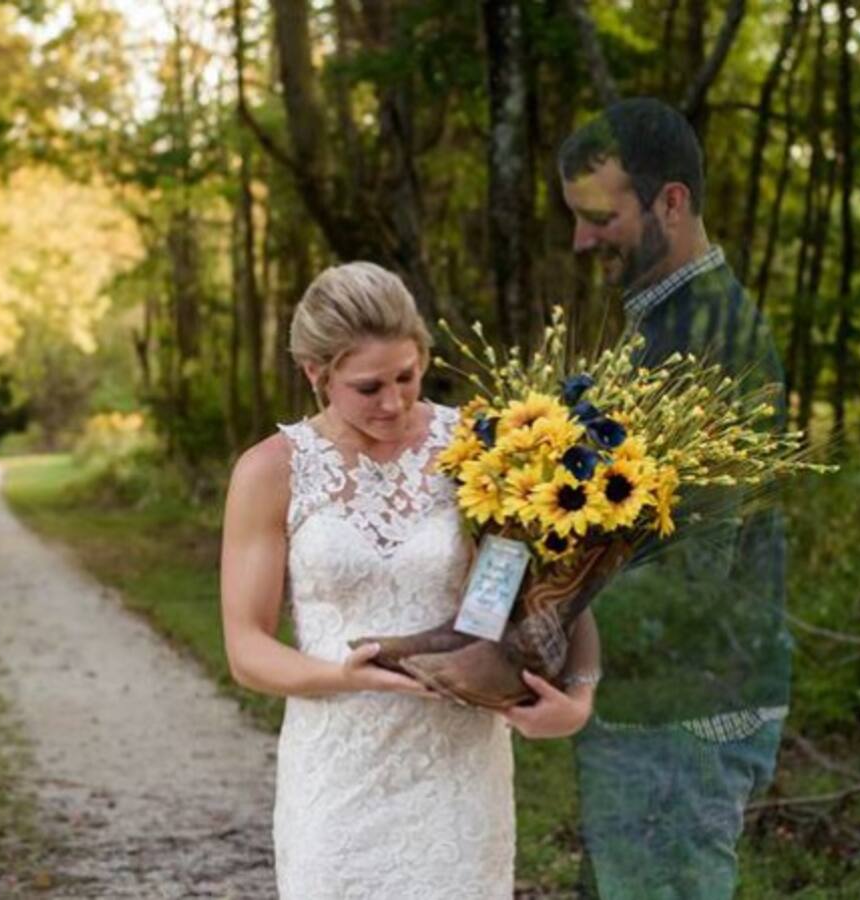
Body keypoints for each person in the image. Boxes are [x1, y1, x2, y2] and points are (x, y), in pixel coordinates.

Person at [223, 261, 599, 898]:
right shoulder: (272, 471)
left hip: (457, 777)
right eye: (368, 387)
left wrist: (580, 698)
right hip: (336, 774)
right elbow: (247, 651)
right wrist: (340, 676)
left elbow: (564, 587)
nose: (394, 402)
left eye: (408, 375)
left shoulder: (483, 450)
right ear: (317, 373)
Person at [556, 97, 792, 898]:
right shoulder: (657, 326)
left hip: (691, 705)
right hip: (639, 693)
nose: (581, 239)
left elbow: (699, 568)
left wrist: (541, 627)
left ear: (672, 202)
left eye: (597, 216)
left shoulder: (717, 339)